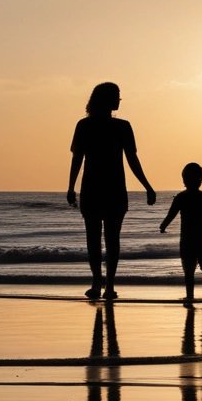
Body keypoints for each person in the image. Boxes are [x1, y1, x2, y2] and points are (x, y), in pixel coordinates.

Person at [67, 81, 156, 302]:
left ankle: (105, 283)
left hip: (106, 189)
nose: (119, 100)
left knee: (102, 239)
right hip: (101, 189)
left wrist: (147, 185)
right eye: (116, 96)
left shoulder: (121, 126)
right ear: (105, 99)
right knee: (103, 239)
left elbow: (132, 160)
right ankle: (100, 282)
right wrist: (70, 187)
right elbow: (77, 158)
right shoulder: (86, 126)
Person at [159, 162, 202, 305]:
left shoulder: (181, 197)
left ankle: (190, 296)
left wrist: (163, 226)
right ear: (201, 179)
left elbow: (170, 215)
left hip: (188, 240)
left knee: (189, 272)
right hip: (201, 240)